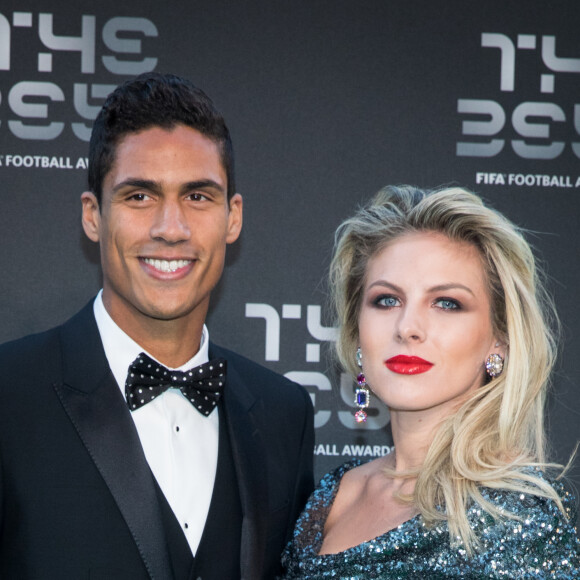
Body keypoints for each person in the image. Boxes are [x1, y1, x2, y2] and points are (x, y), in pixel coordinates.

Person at [0, 72, 314, 580]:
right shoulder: (9, 393)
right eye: (140, 197)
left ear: (233, 218)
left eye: (197, 196)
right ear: (93, 216)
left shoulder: (283, 414)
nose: (171, 228)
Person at [281, 185, 580, 578]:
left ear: (499, 344)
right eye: (387, 300)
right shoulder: (336, 492)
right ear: (356, 332)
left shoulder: (519, 515)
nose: (407, 328)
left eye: (447, 303)